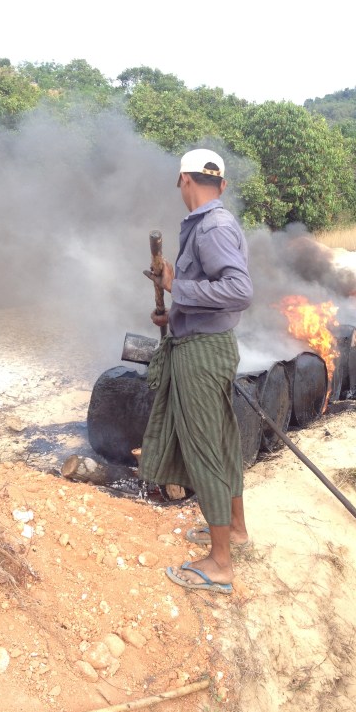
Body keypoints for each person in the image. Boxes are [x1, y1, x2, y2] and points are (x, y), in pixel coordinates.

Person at [139, 148, 253, 594]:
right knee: (223, 441)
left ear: (183, 181)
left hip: (203, 355)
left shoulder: (212, 226)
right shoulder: (208, 224)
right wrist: (175, 313)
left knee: (205, 447)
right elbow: (210, 295)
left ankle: (221, 564)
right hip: (204, 341)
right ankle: (237, 531)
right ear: (220, 184)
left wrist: (174, 285)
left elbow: (238, 290)